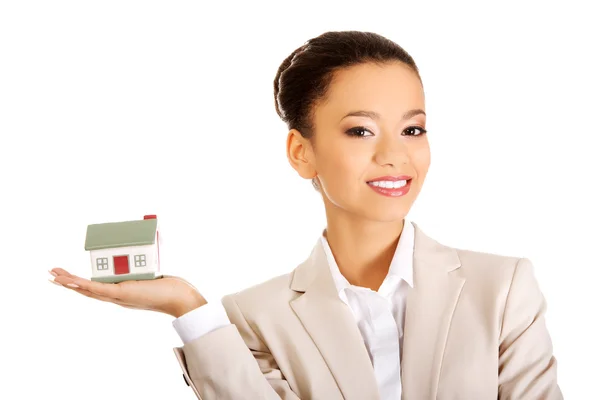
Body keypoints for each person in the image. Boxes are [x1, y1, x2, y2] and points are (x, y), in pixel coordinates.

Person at [49, 31, 562, 399]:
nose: (395, 155)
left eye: (413, 129)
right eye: (361, 131)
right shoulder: (254, 316)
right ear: (301, 152)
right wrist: (189, 308)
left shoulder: (502, 288)